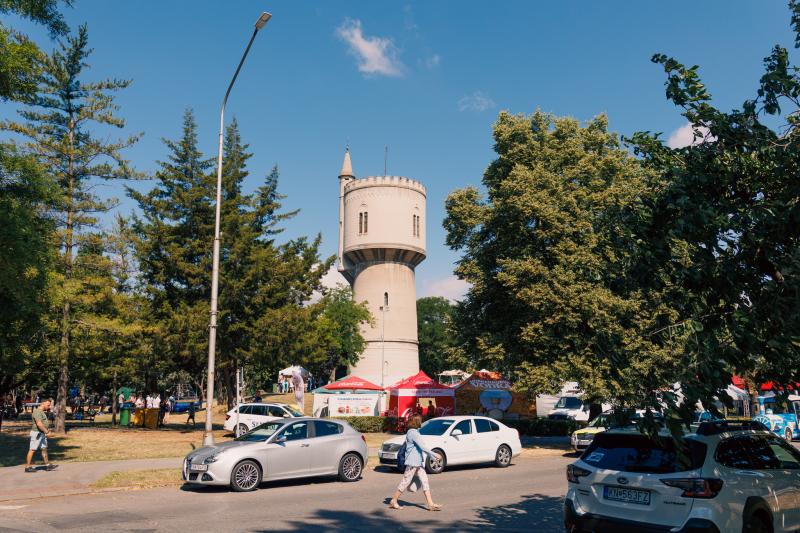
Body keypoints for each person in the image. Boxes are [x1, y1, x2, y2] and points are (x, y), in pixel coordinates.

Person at [388, 415, 443, 511]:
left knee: (425, 481)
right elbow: (423, 447)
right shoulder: (413, 433)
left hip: (417, 463)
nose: (421, 422)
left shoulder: (412, 432)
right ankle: (394, 500)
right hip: (413, 463)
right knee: (405, 482)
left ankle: (430, 504)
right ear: (416, 422)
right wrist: (435, 455)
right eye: (420, 421)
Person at [25, 398, 57, 473]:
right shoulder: (37, 412)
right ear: (43, 403)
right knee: (32, 449)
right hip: (37, 433)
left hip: (42, 433)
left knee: (44, 448)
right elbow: (39, 424)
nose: (49, 407)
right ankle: (27, 467)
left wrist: (46, 431)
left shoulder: (42, 412)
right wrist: (47, 432)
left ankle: (48, 465)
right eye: (48, 405)